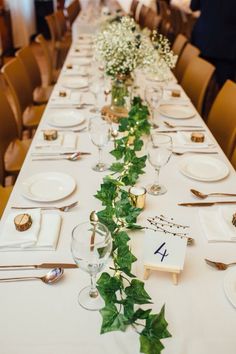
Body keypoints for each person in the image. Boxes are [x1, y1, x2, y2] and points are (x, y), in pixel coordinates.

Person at [190, 0, 236, 88]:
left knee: (197, 84)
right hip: (227, 46)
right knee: (225, 88)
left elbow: (193, 6)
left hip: (204, 40)